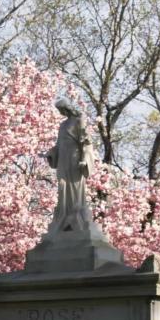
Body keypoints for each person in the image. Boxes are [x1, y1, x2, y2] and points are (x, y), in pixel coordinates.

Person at [44, 97, 96, 236]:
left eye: (61, 109)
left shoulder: (79, 120)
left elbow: (85, 141)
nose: (60, 112)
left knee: (75, 186)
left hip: (74, 158)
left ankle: (76, 215)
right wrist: (51, 153)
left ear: (67, 108)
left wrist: (84, 159)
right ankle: (64, 215)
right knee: (62, 185)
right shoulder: (62, 125)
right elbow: (59, 144)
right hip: (63, 159)